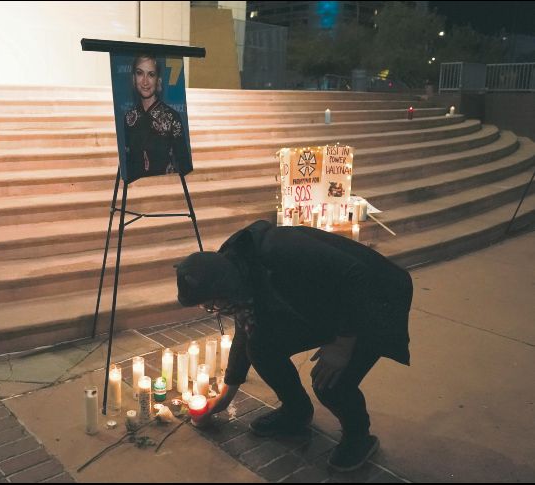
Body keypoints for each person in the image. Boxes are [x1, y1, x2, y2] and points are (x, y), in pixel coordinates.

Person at [175, 220, 413, 472]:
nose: (211, 310)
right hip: (324, 303)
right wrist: (226, 395)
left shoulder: (280, 250)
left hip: (375, 300)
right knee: (261, 346)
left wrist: (342, 345)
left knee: (330, 382)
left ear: (223, 288)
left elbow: (356, 275)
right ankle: (296, 412)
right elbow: (248, 329)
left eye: (210, 304)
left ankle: (359, 436)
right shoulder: (236, 269)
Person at [122, 54, 192, 184]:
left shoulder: (172, 118)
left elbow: (184, 165)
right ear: (133, 78)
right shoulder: (128, 118)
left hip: (165, 190)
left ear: (158, 80)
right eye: (139, 73)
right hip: (136, 191)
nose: (145, 81)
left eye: (151, 75)